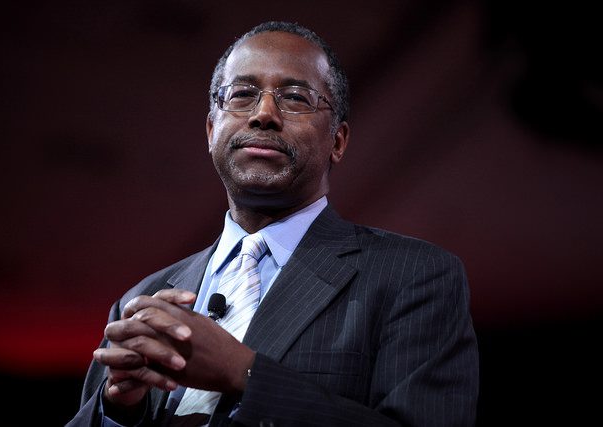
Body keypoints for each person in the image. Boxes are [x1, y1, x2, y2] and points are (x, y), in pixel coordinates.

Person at [67, 21, 479, 427]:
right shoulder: (144, 298)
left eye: (296, 98)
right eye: (243, 95)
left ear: (337, 141)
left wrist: (245, 374)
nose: (264, 114)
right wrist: (119, 410)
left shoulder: (414, 276)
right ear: (212, 129)